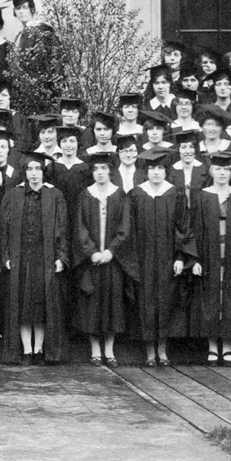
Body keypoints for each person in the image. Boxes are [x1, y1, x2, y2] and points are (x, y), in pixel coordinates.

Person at [181, 152, 231, 365]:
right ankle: (213, 347)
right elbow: (192, 230)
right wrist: (194, 260)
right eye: (218, 169)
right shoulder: (202, 196)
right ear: (212, 171)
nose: (222, 173)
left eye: (226, 170)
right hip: (209, 256)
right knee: (212, 299)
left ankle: (228, 347)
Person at [0, 152, 69, 365]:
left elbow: (62, 228)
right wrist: (6, 255)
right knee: (22, 305)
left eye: (38, 169)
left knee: (41, 305)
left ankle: (39, 349)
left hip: (45, 258)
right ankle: (26, 350)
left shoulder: (54, 195)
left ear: (43, 171)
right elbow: (4, 229)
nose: (34, 173)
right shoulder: (13, 195)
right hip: (21, 258)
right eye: (30, 169)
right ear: (24, 172)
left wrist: (61, 257)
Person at [71, 151, 132, 366]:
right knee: (92, 303)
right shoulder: (85, 195)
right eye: (96, 169)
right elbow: (80, 228)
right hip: (92, 261)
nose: (100, 172)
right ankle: (95, 348)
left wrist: (111, 251)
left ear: (110, 171)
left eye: (104, 168)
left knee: (112, 303)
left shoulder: (119, 195)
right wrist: (92, 252)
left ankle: (109, 349)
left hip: (113, 260)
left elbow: (125, 227)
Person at [129, 150, 187, 367]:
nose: (156, 172)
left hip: (167, 258)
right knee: (146, 302)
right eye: (152, 168)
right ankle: (149, 350)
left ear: (166, 171)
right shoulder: (136, 194)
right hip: (143, 259)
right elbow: (130, 229)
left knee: (165, 301)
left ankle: (162, 348)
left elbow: (183, 227)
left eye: (160, 168)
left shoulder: (175, 193)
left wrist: (180, 256)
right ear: (146, 171)